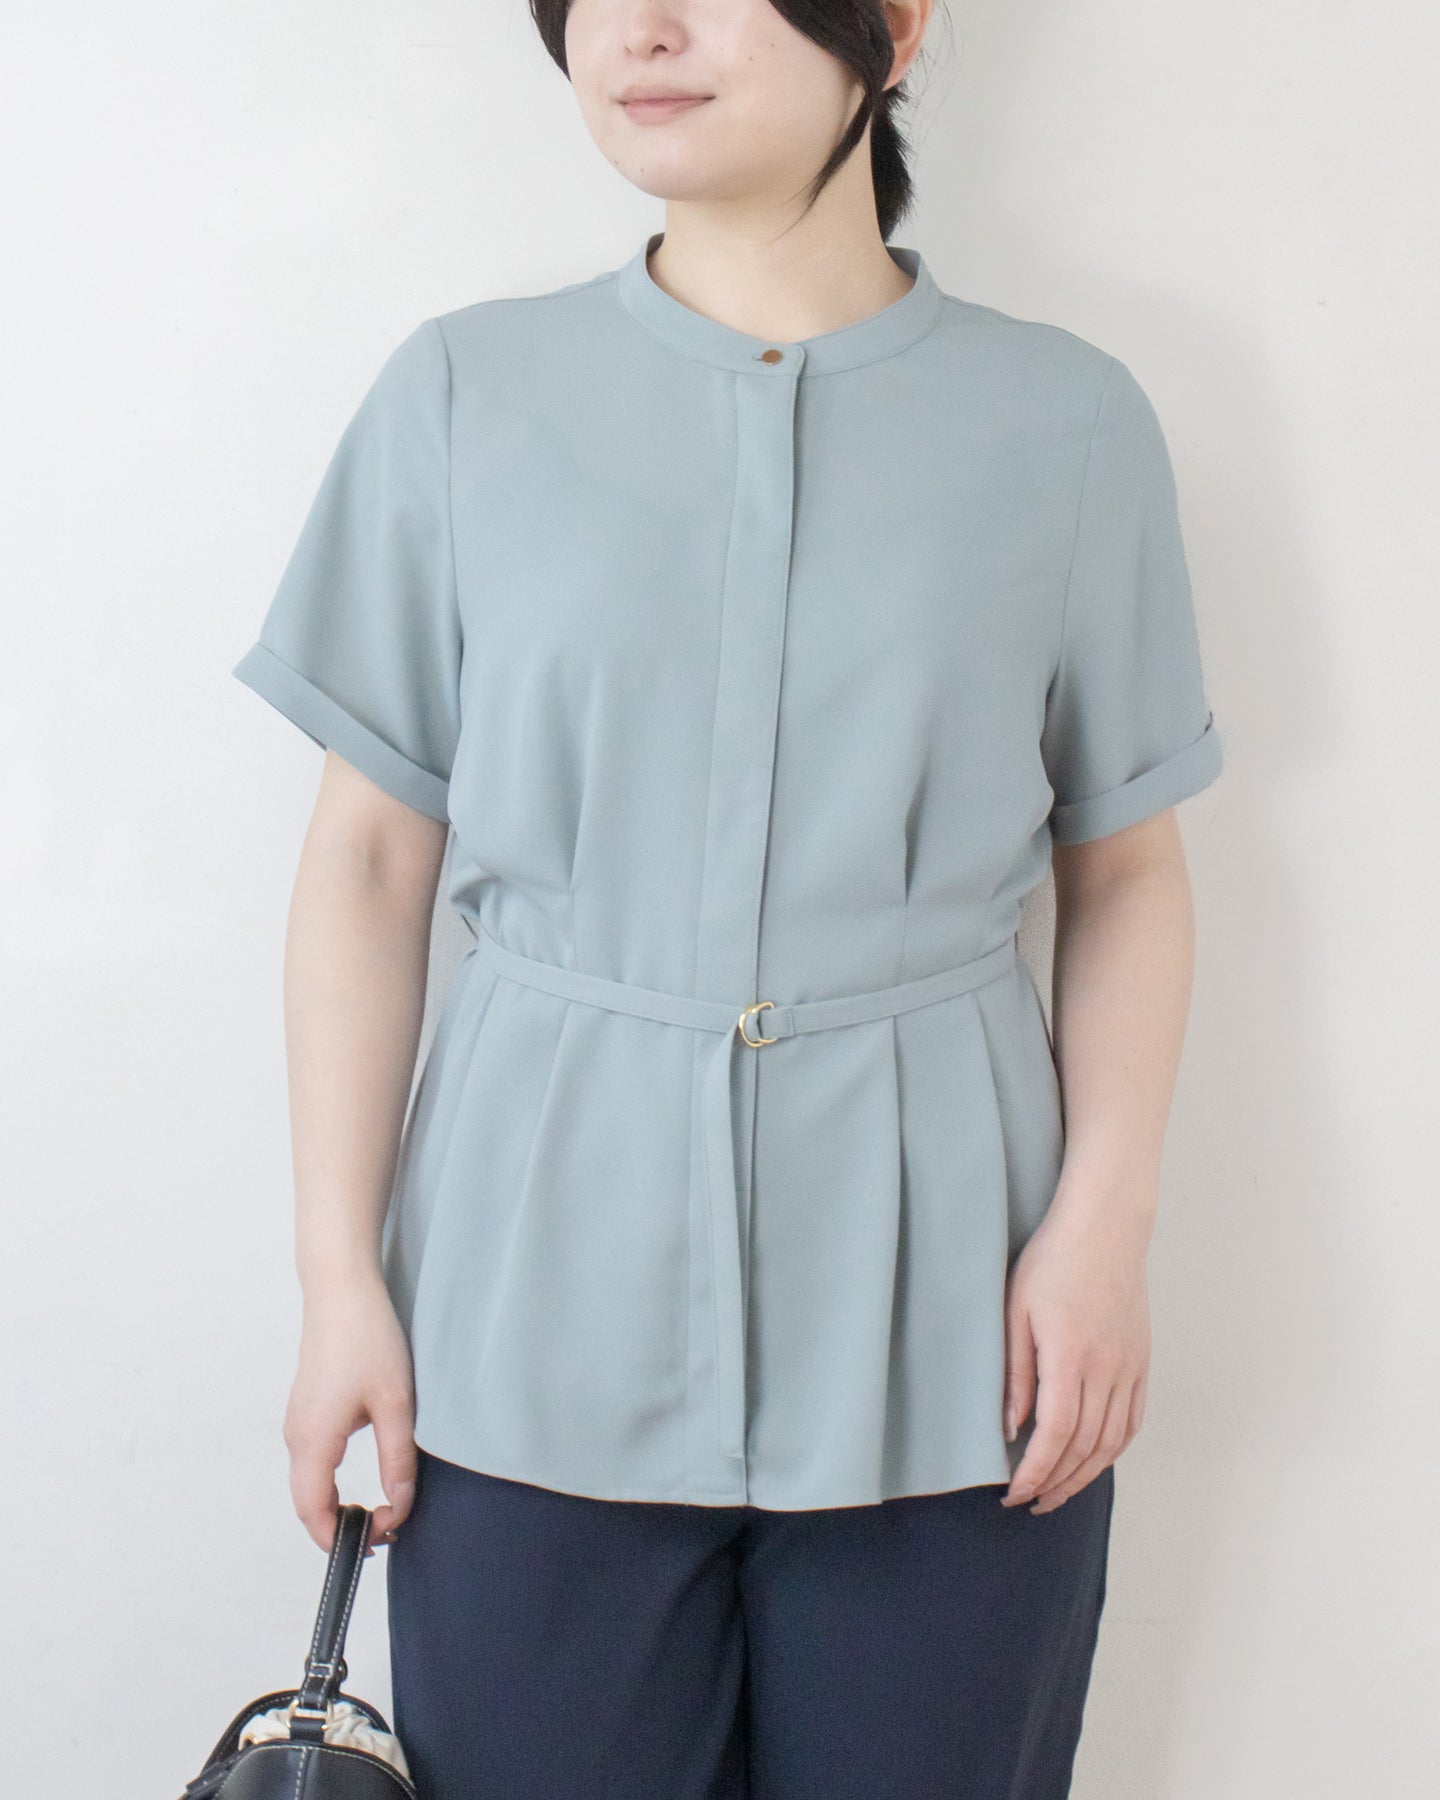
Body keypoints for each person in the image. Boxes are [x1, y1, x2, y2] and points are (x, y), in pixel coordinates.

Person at [231, 1, 1224, 1794]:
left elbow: (1128, 865)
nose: (644, 29)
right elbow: (369, 865)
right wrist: (338, 1281)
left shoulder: (1067, 422)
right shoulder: (462, 395)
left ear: (891, 27)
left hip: (960, 1338)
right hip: (520, 1324)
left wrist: (1105, 1231)